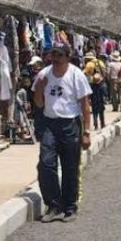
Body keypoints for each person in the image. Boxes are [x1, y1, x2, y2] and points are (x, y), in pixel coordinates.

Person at [32, 44, 92, 223]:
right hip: (50, 124)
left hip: (70, 124)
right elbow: (39, 104)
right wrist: (40, 89)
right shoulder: (43, 75)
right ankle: (53, 205)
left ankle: (69, 207)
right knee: (45, 163)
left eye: (59, 55)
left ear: (67, 56)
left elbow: (85, 105)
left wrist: (86, 132)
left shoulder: (76, 75)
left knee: (70, 167)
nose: (55, 59)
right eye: (53, 55)